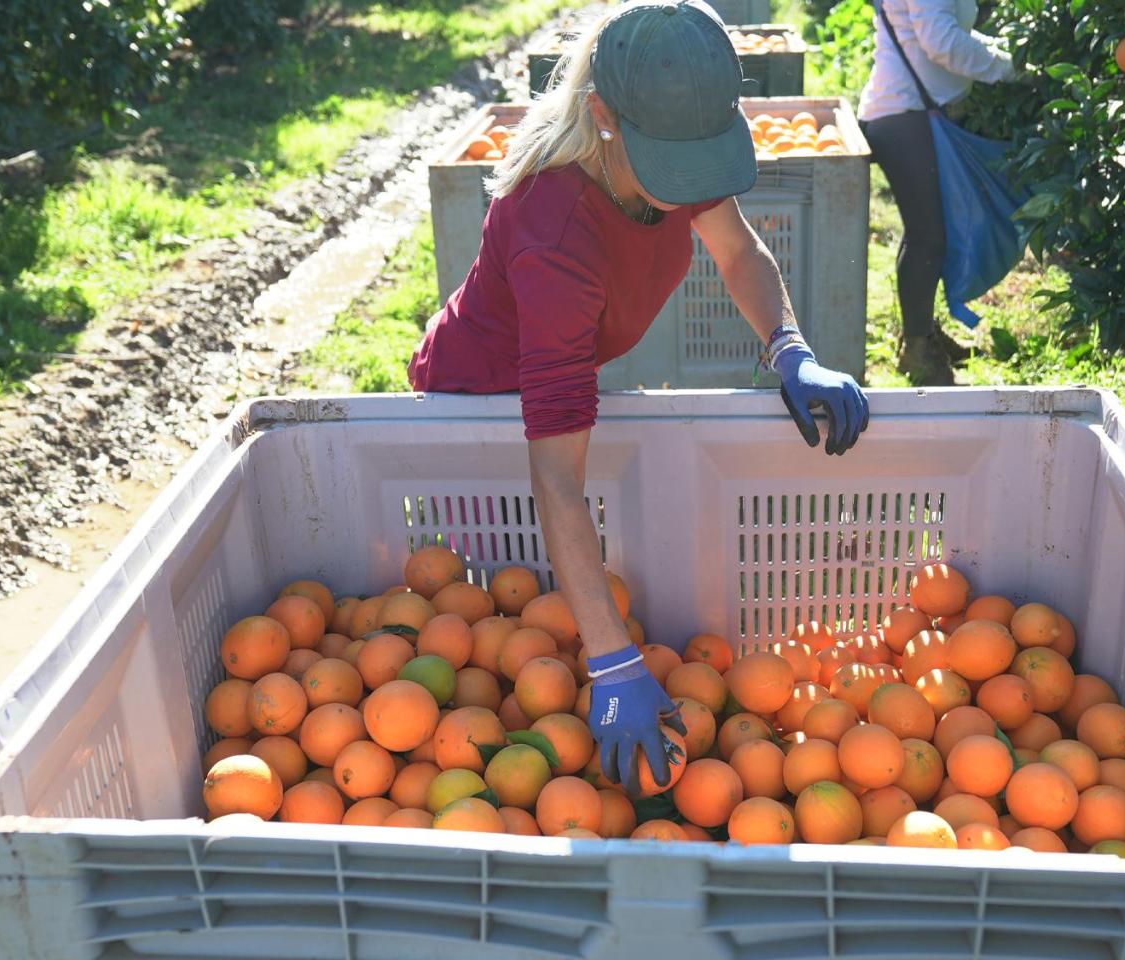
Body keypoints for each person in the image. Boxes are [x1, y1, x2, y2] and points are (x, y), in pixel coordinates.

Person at [406, 0, 870, 795]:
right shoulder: (553, 234)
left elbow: (739, 250)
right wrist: (615, 665)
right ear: (602, 118)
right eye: (670, 169)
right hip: (481, 403)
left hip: (555, 376)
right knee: (500, 613)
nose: (686, 189)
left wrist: (790, 347)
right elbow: (554, 477)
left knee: (540, 620)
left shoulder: (670, 147)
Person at [859, 0, 1015, 384]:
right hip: (904, 116)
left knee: (927, 232)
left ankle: (922, 332)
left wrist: (1005, 52)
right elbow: (941, 41)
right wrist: (1011, 69)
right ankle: (918, 349)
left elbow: (948, 30)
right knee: (929, 237)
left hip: (911, 113)